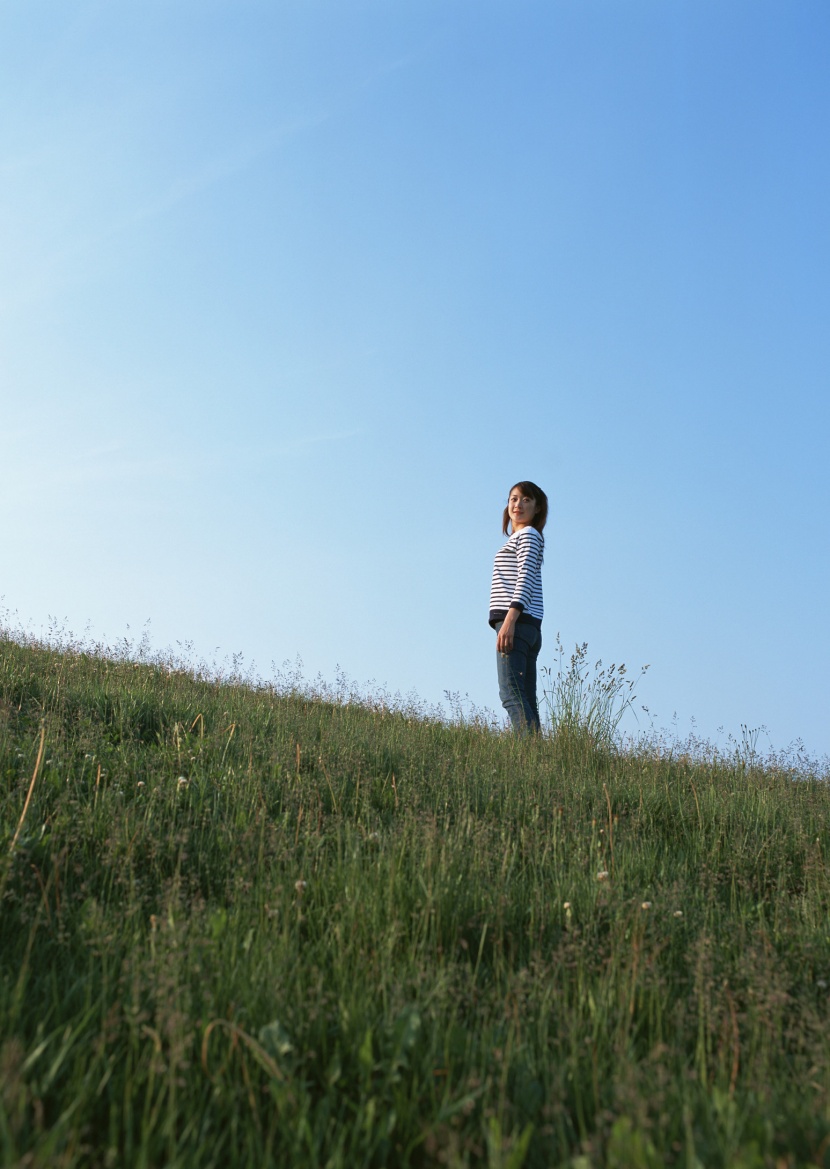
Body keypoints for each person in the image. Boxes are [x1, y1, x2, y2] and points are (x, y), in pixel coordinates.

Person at [489, 481, 548, 732]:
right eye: (513, 499)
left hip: (518, 623)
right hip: (527, 626)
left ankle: (529, 754)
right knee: (525, 698)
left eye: (526, 500)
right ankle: (538, 759)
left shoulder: (528, 535)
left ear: (537, 508)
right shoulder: (524, 538)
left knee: (511, 695)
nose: (518, 504)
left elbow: (524, 579)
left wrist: (510, 621)